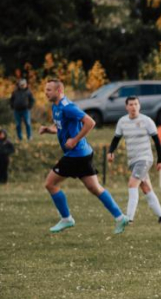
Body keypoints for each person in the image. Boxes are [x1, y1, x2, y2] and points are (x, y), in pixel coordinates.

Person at [38, 79, 129, 234]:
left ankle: (66, 218)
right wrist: (49, 130)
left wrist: (74, 140)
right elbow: (62, 127)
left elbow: (90, 122)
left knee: (50, 184)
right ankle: (120, 217)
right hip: (84, 153)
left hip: (76, 155)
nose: (46, 92)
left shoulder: (68, 107)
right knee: (94, 188)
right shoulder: (56, 106)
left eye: (49, 90)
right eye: (45, 89)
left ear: (59, 91)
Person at [108, 96, 161, 225]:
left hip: (145, 159)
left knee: (132, 184)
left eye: (136, 104)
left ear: (139, 106)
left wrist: (160, 160)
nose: (133, 107)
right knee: (146, 189)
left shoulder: (147, 121)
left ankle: (129, 218)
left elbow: (157, 141)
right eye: (130, 104)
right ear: (126, 107)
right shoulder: (122, 121)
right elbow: (116, 139)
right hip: (133, 160)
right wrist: (110, 151)